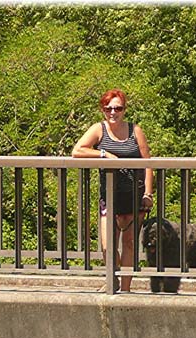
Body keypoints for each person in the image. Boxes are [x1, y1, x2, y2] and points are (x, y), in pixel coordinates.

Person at [72, 88, 153, 292]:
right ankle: (113, 281)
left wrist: (148, 194)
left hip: (135, 194)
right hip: (109, 195)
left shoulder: (136, 130)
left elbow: (148, 163)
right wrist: (103, 154)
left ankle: (125, 289)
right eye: (108, 108)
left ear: (124, 109)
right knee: (108, 246)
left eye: (118, 108)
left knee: (129, 243)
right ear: (103, 110)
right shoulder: (99, 129)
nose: (113, 112)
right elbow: (77, 150)